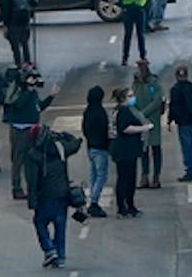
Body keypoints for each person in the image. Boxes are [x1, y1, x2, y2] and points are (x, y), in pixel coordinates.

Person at [28, 124, 81, 267]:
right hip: (62, 192)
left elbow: (32, 180)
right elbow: (76, 143)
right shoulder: (61, 148)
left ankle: (49, 249)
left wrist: (32, 200)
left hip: (45, 194)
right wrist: (65, 134)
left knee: (39, 222)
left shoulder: (33, 154)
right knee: (60, 225)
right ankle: (60, 256)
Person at [3, 66, 56, 200]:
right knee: (18, 160)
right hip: (20, 130)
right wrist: (28, 90)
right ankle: (16, 187)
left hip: (32, 129)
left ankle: (32, 187)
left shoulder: (32, 94)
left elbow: (39, 108)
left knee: (31, 160)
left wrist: (51, 96)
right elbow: (19, 105)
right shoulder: (19, 93)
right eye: (32, 78)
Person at [110, 88, 150, 218]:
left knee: (124, 178)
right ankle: (125, 207)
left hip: (122, 149)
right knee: (126, 179)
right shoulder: (124, 111)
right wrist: (143, 128)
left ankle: (125, 206)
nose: (133, 98)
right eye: (130, 96)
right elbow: (125, 128)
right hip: (126, 150)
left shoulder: (116, 110)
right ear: (123, 98)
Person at [167, 65, 192, 182]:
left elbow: (173, 106)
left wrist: (170, 120)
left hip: (183, 123)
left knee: (187, 147)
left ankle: (191, 170)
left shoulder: (175, 89)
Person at [132, 60, 165, 188]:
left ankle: (156, 176)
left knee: (155, 148)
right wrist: (135, 113)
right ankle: (144, 175)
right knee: (143, 150)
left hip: (152, 120)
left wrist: (143, 113)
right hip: (141, 122)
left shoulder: (153, 83)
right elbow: (132, 99)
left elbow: (157, 100)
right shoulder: (136, 84)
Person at [82, 86, 113, 218]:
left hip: (90, 147)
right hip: (101, 147)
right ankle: (94, 201)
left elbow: (84, 128)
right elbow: (105, 129)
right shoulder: (100, 112)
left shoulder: (88, 111)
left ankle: (91, 198)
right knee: (101, 176)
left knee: (93, 174)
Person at [2, 0, 36, 67]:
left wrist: (5, 24)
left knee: (15, 44)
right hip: (25, 19)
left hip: (13, 21)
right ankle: (28, 62)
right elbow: (33, 2)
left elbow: (6, 10)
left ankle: (18, 63)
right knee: (25, 42)